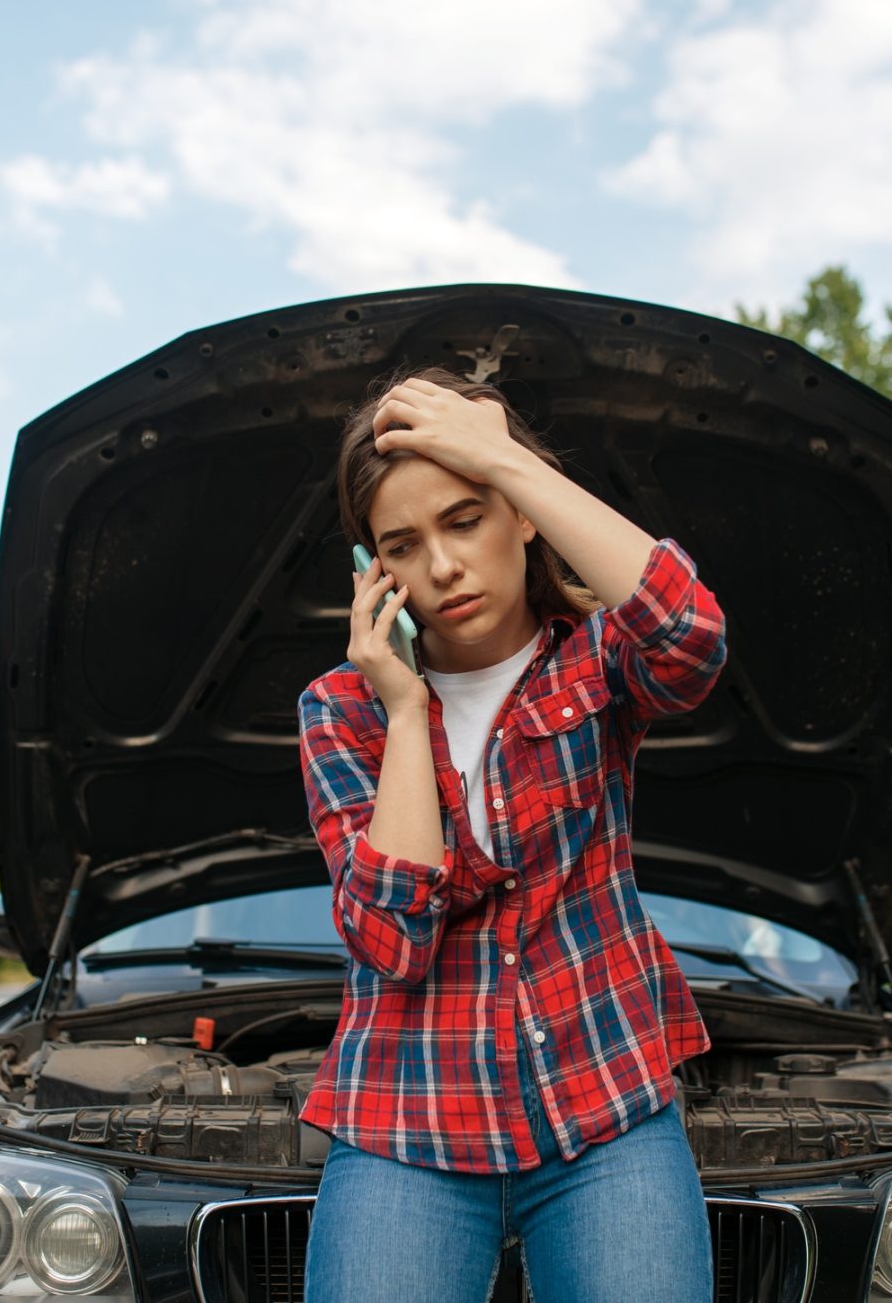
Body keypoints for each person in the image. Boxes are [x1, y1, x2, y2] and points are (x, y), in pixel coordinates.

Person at [297, 366, 727, 1302]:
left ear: (520, 515)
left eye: (465, 519)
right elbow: (392, 942)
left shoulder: (596, 659)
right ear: (373, 570)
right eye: (402, 545)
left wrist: (502, 458)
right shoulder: (341, 710)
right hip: (407, 1115)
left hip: (607, 1098)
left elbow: (691, 636)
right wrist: (405, 712)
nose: (443, 567)